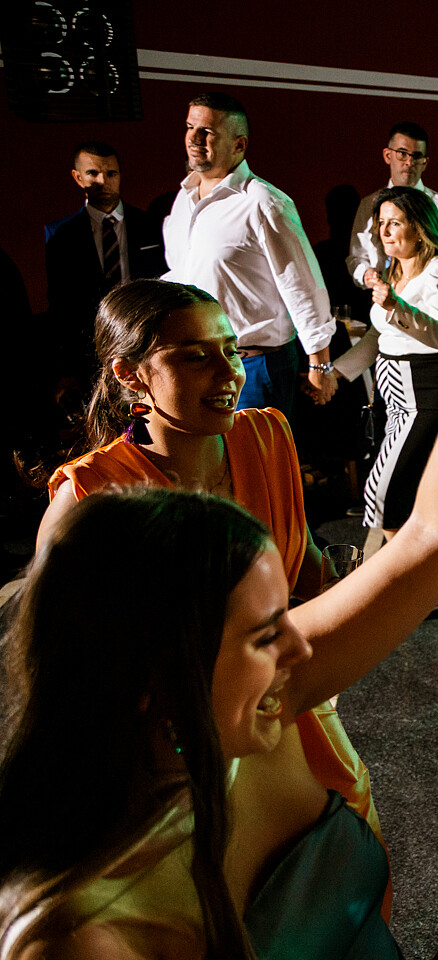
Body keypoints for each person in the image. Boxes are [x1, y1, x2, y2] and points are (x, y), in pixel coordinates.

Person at [0, 182, 438, 960]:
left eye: (230, 350)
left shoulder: (255, 715)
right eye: (265, 632)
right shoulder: (79, 928)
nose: (305, 647)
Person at [36, 279, 384, 862]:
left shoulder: (267, 435)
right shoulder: (90, 497)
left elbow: (307, 576)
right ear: (130, 375)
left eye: (233, 350)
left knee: (345, 896)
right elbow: (58, 677)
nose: (229, 374)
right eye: (195, 358)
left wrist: (362, 582)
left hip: (298, 736)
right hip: (178, 777)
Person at [162, 92, 336, 415]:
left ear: (239, 145)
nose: (194, 139)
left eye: (208, 132)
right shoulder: (183, 200)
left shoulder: (263, 202)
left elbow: (303, 287)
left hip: (254, 365)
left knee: (258, 462)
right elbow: (181, 273)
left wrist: (320, 365)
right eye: (190, 128)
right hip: (197, 360)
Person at [339, 187, 438, 536]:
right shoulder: (393, 271)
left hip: (423, 393)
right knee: (413, 497)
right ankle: (437, 579)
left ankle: (391, 579)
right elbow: (381, 337)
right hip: (394, 399)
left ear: (419, 228)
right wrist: (336, 373)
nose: (384, 231)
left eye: (395, 223)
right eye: (381, 223)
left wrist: (397, 308)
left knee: (381, 494)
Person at [44, 141, 166, 345]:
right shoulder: (61, 234)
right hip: (88, 341)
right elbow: (59, 303)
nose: (103, 181)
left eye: (111, 174)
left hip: (147, 333)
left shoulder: (151, 225)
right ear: (78, 177)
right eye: (93, 173)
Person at [348, 121, 438, 290]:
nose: (409, 162)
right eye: (402, 153)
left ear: (425, 162)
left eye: (416, 156)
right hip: (379, 302)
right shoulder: (368, 205)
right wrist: (367, 275)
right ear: (388, 155)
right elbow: (357, 257)